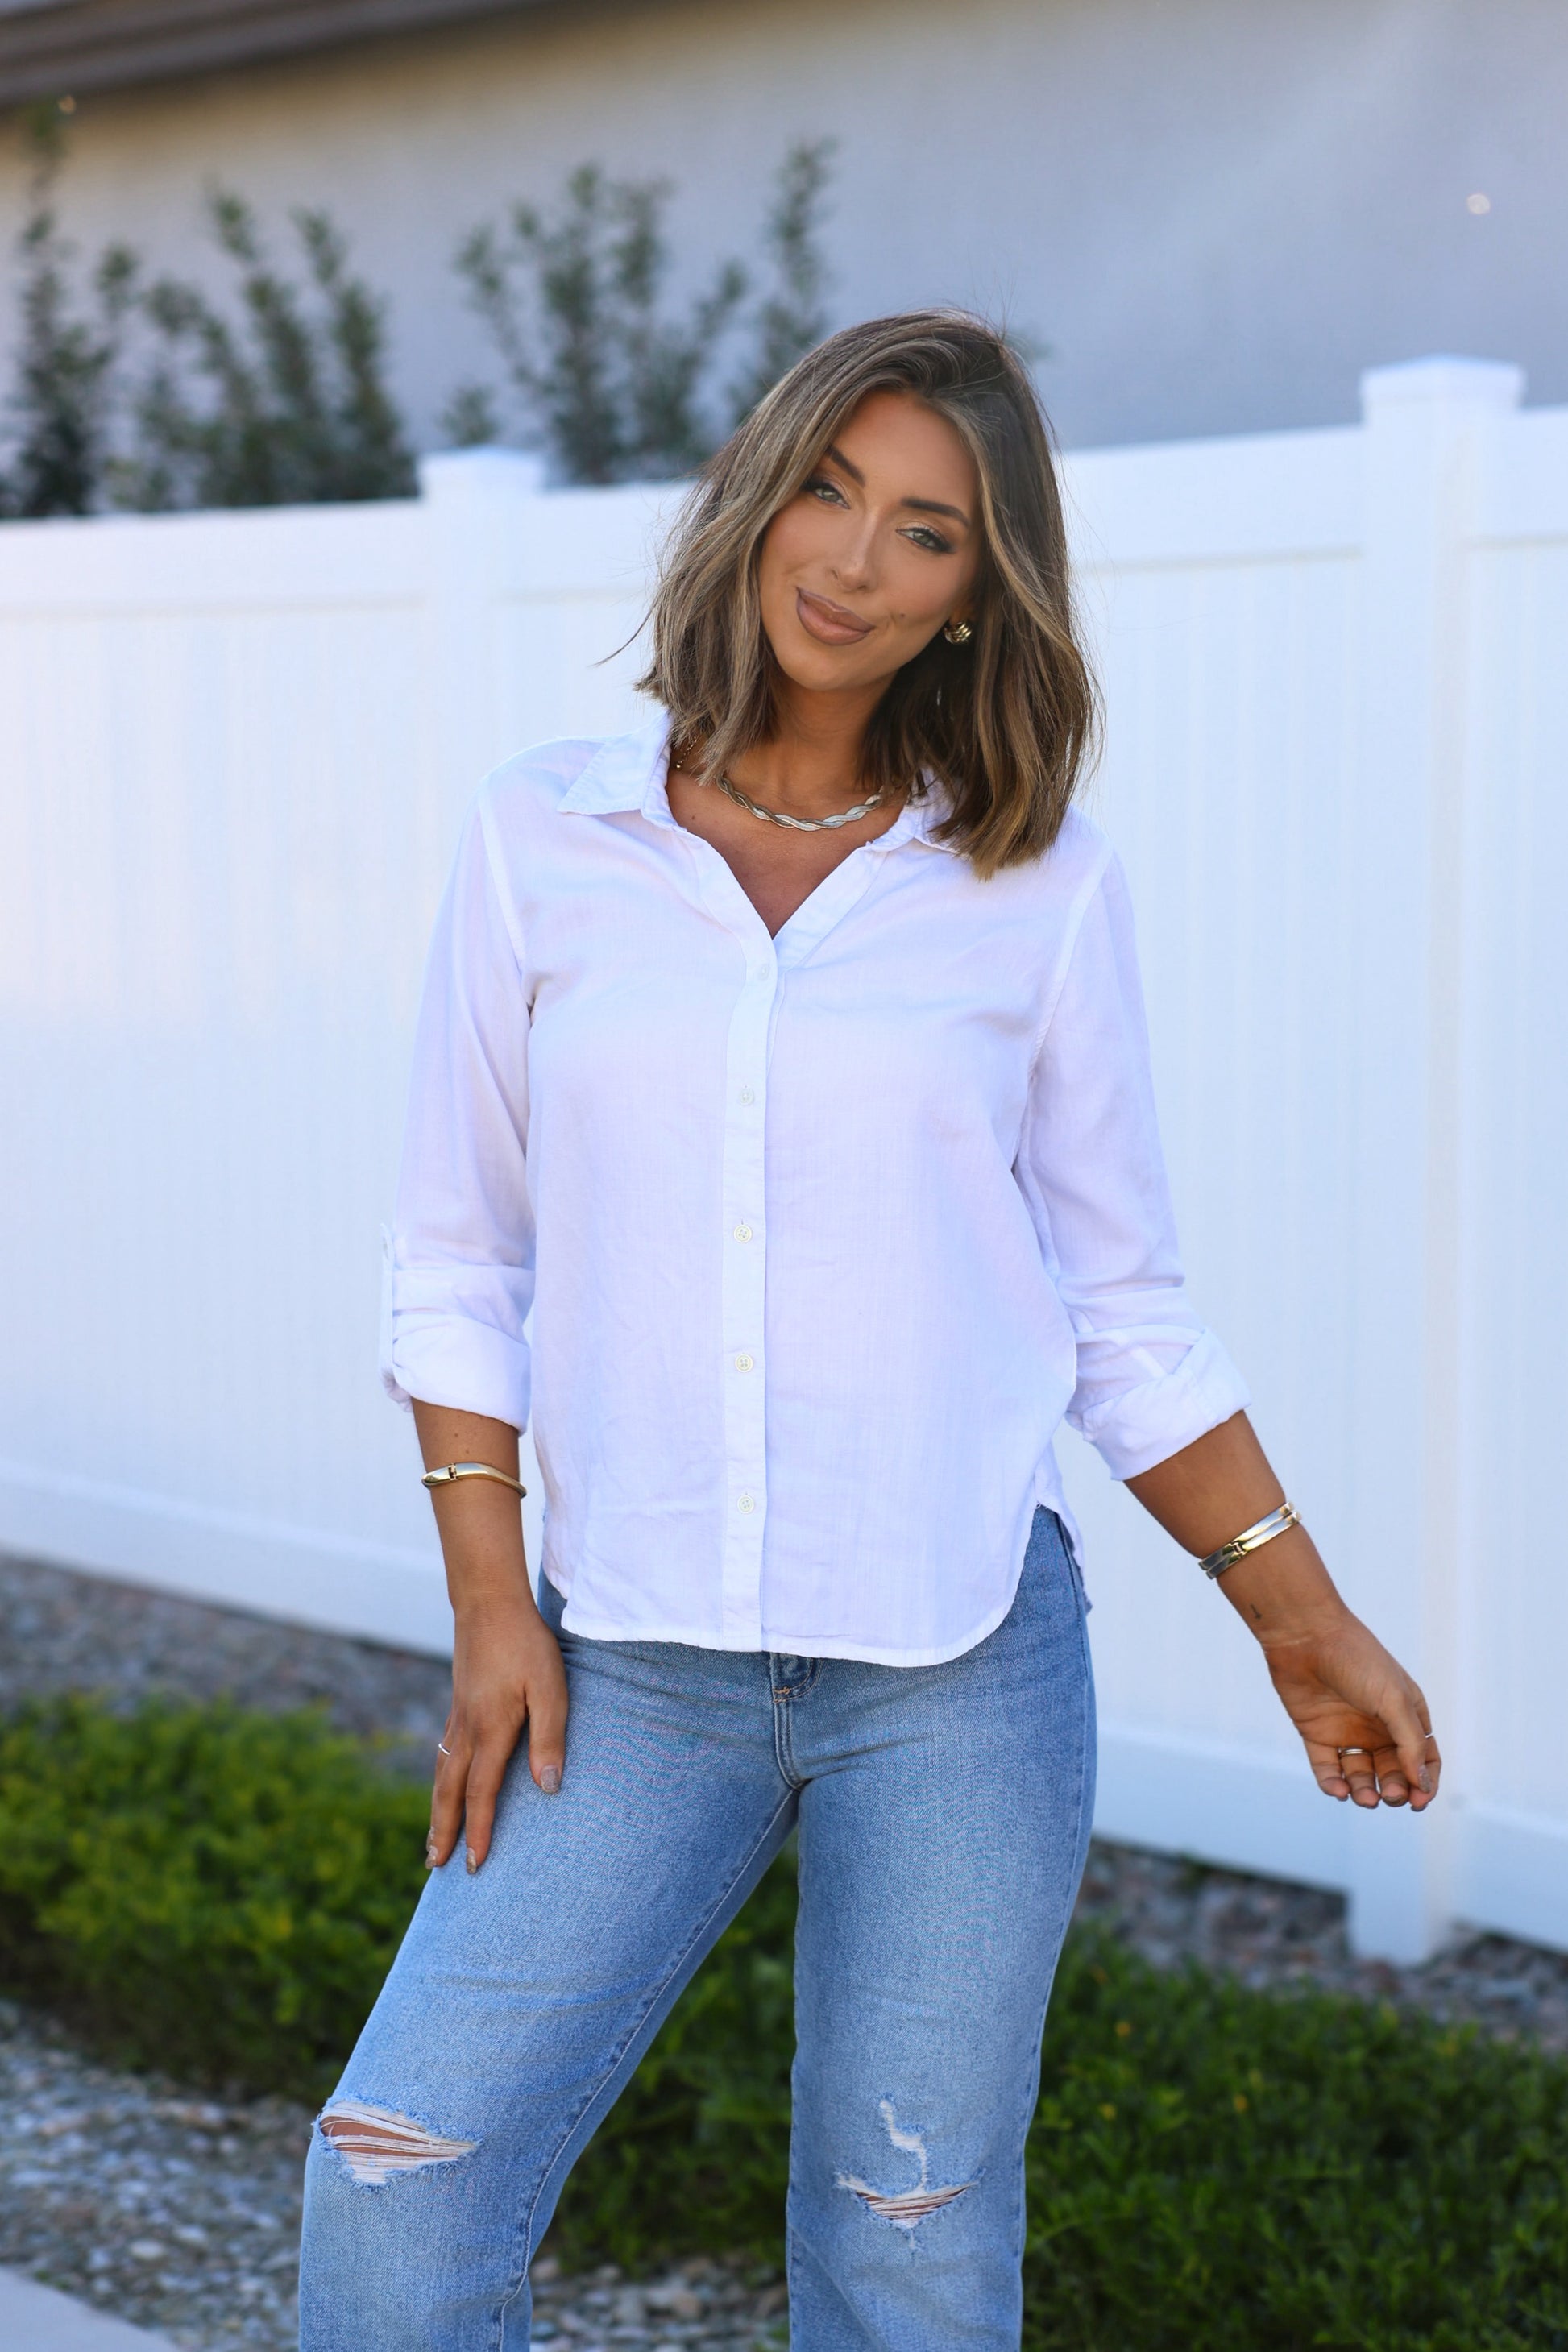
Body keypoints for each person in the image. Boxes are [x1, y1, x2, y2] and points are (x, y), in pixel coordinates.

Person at [297, 311, 1440, 2351]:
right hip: (625, 1658)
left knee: (904, 2241)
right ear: (754, 498)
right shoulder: (544, 835)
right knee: (395, 2169)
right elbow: (456, 1248)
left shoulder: (1033, 885)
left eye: (925, 533)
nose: (852, 559)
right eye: (828, 489)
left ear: (971, 599)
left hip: (958, 1665)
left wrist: (1293, 1606)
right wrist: (492, 1599)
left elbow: (1120, 1307)